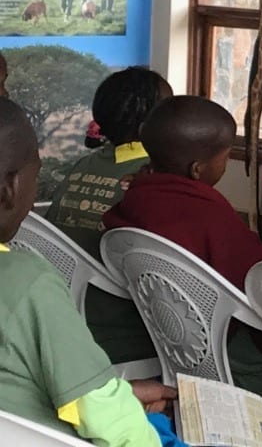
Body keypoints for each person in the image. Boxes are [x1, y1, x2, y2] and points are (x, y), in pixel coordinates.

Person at [102, 96, 262, 405]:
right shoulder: (209, 215)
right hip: (236, 363)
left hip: (174, 342)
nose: (224, 165)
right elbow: (260, 287)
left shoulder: (138, 196)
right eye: (224, 158)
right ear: (197, 169)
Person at [0, 97, 178, 444]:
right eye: (35, 175)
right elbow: (106, 421)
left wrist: (117, 390)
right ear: (10, 190)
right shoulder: (25, 283)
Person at [47, 67, 172, 365]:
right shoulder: (155, 176)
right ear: (150, 124)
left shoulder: (84, 165)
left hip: (66, 318)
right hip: (122, 334)